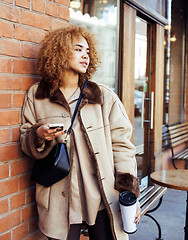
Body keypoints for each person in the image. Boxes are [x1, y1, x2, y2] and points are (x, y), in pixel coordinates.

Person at [20, 25, 141, 240]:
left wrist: (129, 193)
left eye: (87, 51)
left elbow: (122, 146)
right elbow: (25, 137)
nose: (85, 55)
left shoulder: (103, 96)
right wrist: (39, 134)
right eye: (77, 49)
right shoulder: (37, 96)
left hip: (103, 196)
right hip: (59, 199)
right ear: (59, 51)